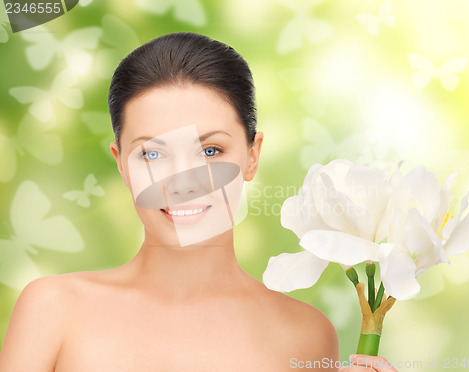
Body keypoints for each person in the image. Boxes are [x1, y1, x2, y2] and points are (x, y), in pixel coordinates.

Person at [0, 32, 397, 371]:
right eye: (152, 154)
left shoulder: (304, 335)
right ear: (121, 164)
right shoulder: (53, 309)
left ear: (252, 155)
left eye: (209, 151)